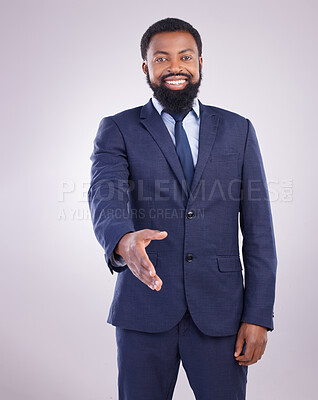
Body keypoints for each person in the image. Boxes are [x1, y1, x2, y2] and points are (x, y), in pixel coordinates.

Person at [88, 17, 277, 400]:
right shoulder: (119, 128)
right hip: (144, 308)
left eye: (185, 57)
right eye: (162, 58)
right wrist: (123, 241)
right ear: (147, 68)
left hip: (221, 312)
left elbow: (259, 231)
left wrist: (258, 315)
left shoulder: (237, 129)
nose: (175, 67)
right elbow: (105, 193)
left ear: (200, 63)